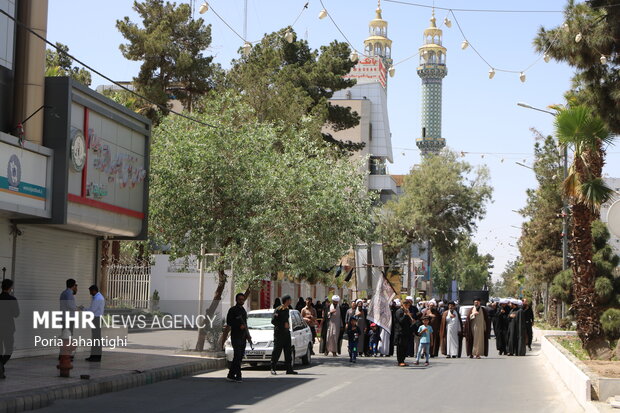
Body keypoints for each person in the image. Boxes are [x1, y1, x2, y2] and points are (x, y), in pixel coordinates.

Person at [226, 292, 252, 382]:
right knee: (237, 355)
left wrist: (248, 335)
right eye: (240, 299)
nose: (241, 301)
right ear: (236, 300)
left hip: (243, 337)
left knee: (240, 356)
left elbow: (245, 324)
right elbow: (229, 322)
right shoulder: (232, 310)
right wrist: (238, 325)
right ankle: (238, 375)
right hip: (235, 336)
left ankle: (231, 375)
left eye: (243, 299)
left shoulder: (243, 311)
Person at [271, 295, 297, 375]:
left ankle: (289, 369)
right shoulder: (278, 309)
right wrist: (283, 325)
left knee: (288, 351)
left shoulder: (287, 309)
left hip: (286, 333)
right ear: (286, 300)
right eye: (290, 300)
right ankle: (273, 368)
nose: (291, 301)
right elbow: (273, 321)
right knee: (277, 351)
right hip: (279, 333)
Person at [0, 279, 19, 379]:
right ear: (10, 287)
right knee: (9, 349)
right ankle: (1, 367)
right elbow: (16, 314)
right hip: (8, 328)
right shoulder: (12, 299)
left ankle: (1, 369)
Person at [85, 285, 105, 362]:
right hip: (97, 319)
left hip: (96, 319)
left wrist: (83, 309)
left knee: (96, 338)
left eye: (90, 291)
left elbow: (92, 310)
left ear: (94, 291)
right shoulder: (98, 297)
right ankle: (94, 356)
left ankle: (95, 357)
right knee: (96, 338)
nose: (90, 293)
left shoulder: (98, 298)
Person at [394, 298, 413, 366]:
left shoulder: (406, 311)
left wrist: (410, 317)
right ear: (404, 305)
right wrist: (405, 315)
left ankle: (403, 360)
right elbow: (400, 321)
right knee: (400, 347)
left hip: (406, 332)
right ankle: (400, 361)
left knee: (405, 347)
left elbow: (408, 322)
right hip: (400, 332)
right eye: (407, 305)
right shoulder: (399, 311)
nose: (408, 307)